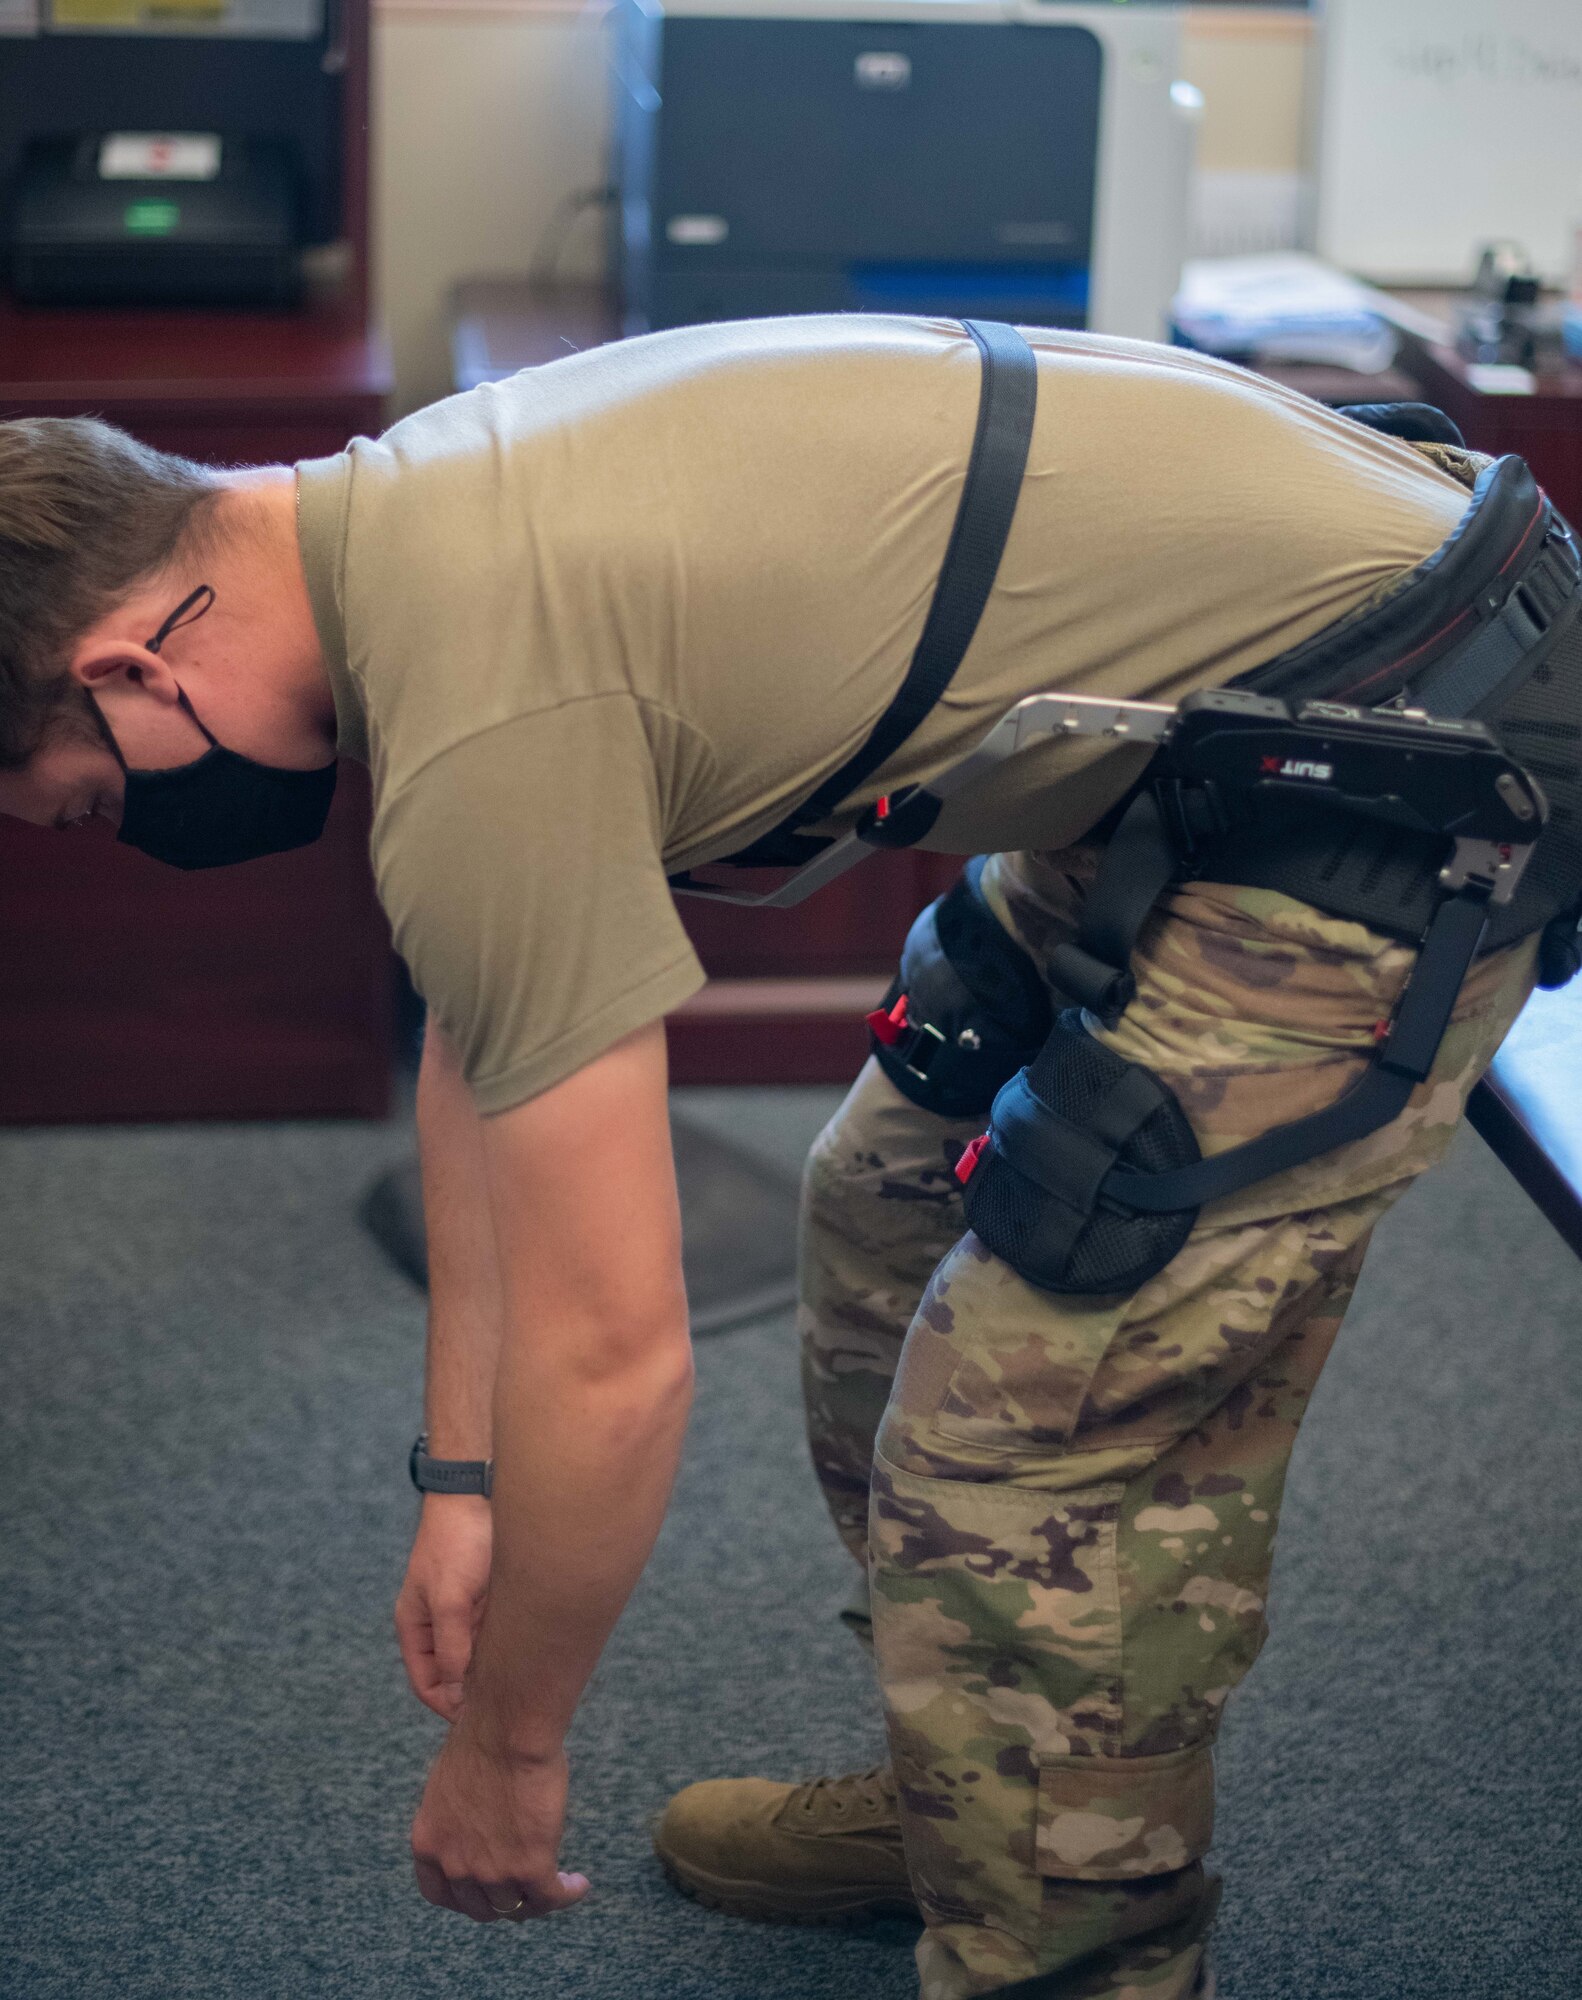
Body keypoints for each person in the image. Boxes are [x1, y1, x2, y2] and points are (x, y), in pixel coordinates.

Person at [0, 314, 1566, 2000]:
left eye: (89, 802)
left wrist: (507, 1755)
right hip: (1223, 718)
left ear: (129, 671)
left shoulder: (480, 694)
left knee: (1022, 1447)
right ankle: (965, 1787)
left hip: (1415, 730)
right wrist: (463, 1477)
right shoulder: (389, 530)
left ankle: (1071, 1950)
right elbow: (486, 1027)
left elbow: (615, 1361)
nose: (126, 832)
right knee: (884, 1207)